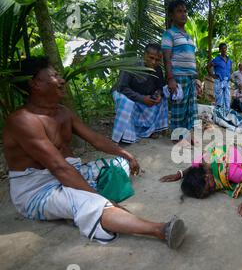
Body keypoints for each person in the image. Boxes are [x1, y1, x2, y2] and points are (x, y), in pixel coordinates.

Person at [3, 56, 186, 249]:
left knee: (121, 164)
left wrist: (126, 154)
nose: (62, 80)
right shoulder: (23, 121)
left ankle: (84, 205)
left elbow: (95, 139)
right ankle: (161, 230)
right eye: (55, 76)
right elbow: (58, 168)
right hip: (38, 189)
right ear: (35, 84)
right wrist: (100, 199)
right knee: (91, 203)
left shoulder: (63, 112)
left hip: (71, 171)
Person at [159, 144, 242, 219]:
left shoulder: (231, 172)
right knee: (223, 184)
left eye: (207, 190)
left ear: (207, 177)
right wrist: (179, 174)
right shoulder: (199, 164)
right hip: (224, 154)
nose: (208, 194)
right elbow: (192, 169)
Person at [162, 0, 201, 145]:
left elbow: (192, 59)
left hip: (191, 78)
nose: (183, 14)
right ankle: (176, 136)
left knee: (191, 109)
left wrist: (197, 78)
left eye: (185, 11)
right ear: (171, 15)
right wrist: (170, 78)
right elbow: (167, 58)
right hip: (178, 76)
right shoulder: (169, 34)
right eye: (179, 11)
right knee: (179, 107)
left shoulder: (189, 37)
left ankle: (188, 135)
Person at [111, 43, 168, 144]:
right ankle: (124, 136)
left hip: (144, 97)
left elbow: (160, 87)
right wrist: (142, 98)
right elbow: (122, 87)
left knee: (163, 99)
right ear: (144, 55)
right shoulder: (132, 65)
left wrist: (158, 94)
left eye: (157, 60)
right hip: (125, 94)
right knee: (126, 102)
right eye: (151, 58)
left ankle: (148, 131)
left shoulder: (158, 69)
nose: (153, 62)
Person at [208, 43, 232, 113]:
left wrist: (229, 77)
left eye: (225, 48)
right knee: (219, 99)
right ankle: (219, 114)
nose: (224, 50)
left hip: (227, 82)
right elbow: (208, 66)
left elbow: (230, 69)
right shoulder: (217, 59)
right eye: (222, 48)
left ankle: (226, 113)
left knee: (227, 98)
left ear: (226, 49)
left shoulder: (229, 60)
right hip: (219, 81)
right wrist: (212, 75)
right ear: (220, 50)